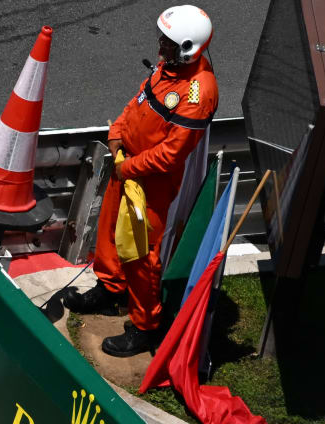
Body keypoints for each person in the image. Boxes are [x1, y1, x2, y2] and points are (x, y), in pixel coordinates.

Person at [62, 5, 218, 357]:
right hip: (127, 166)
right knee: (108, 232)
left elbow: (172, 154)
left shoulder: (198, 92)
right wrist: (117, 132)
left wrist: (129, 167)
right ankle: (110, 290)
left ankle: (146, 326)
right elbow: (138, 102)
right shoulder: (168, 67)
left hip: (151, 182)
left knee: (141, 255)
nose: (160, 45)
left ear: (188, 47)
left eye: (168, 41)